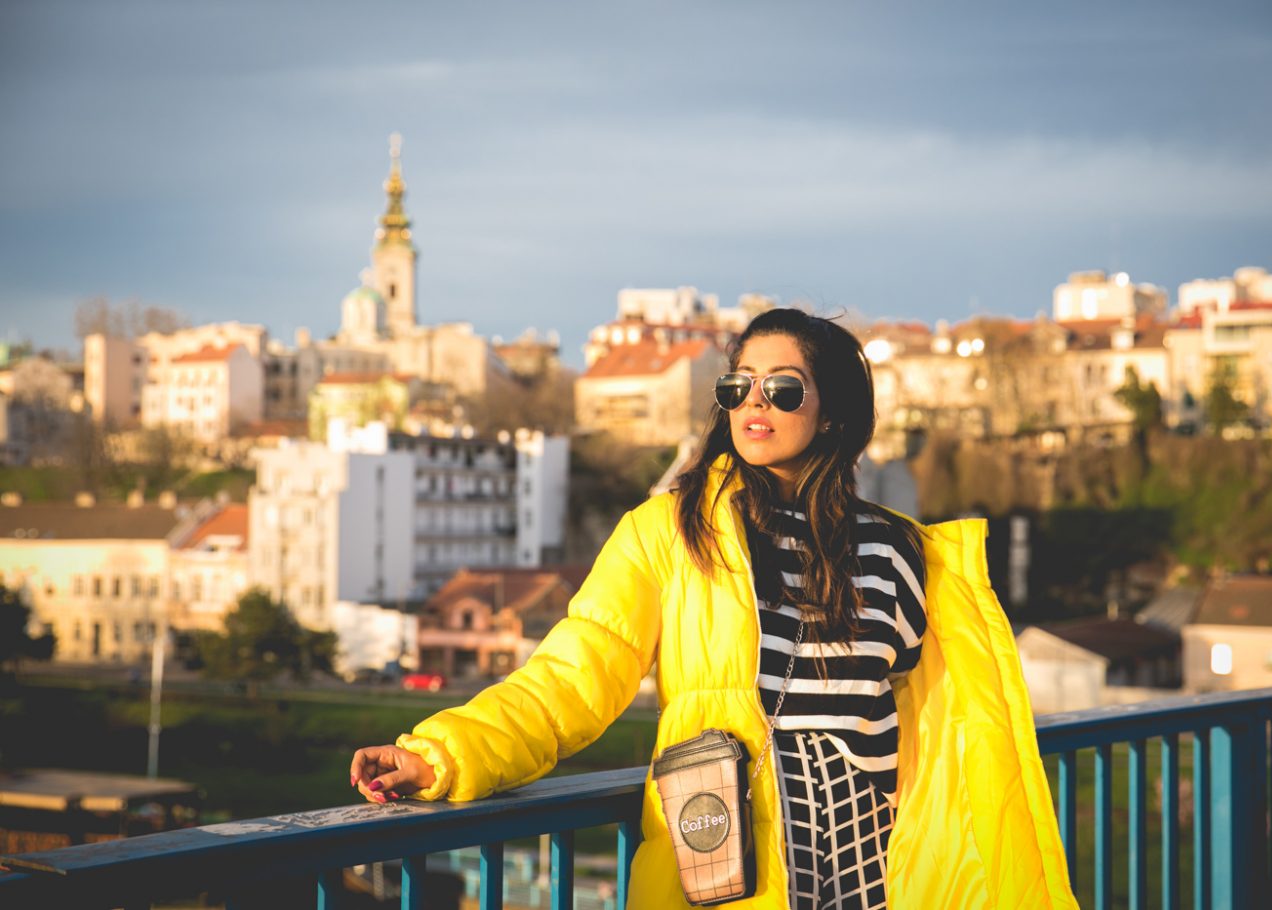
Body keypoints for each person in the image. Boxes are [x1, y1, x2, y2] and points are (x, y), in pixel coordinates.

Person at [351, 309, 1076, 909]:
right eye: (740, 386)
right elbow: (571, 679)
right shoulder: (667, 531)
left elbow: (955, 743)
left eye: (784, 389)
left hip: (875, 882)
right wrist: (440, 754)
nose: (755, 403)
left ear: (832, 415)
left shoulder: (900, 553)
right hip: (730, 879)